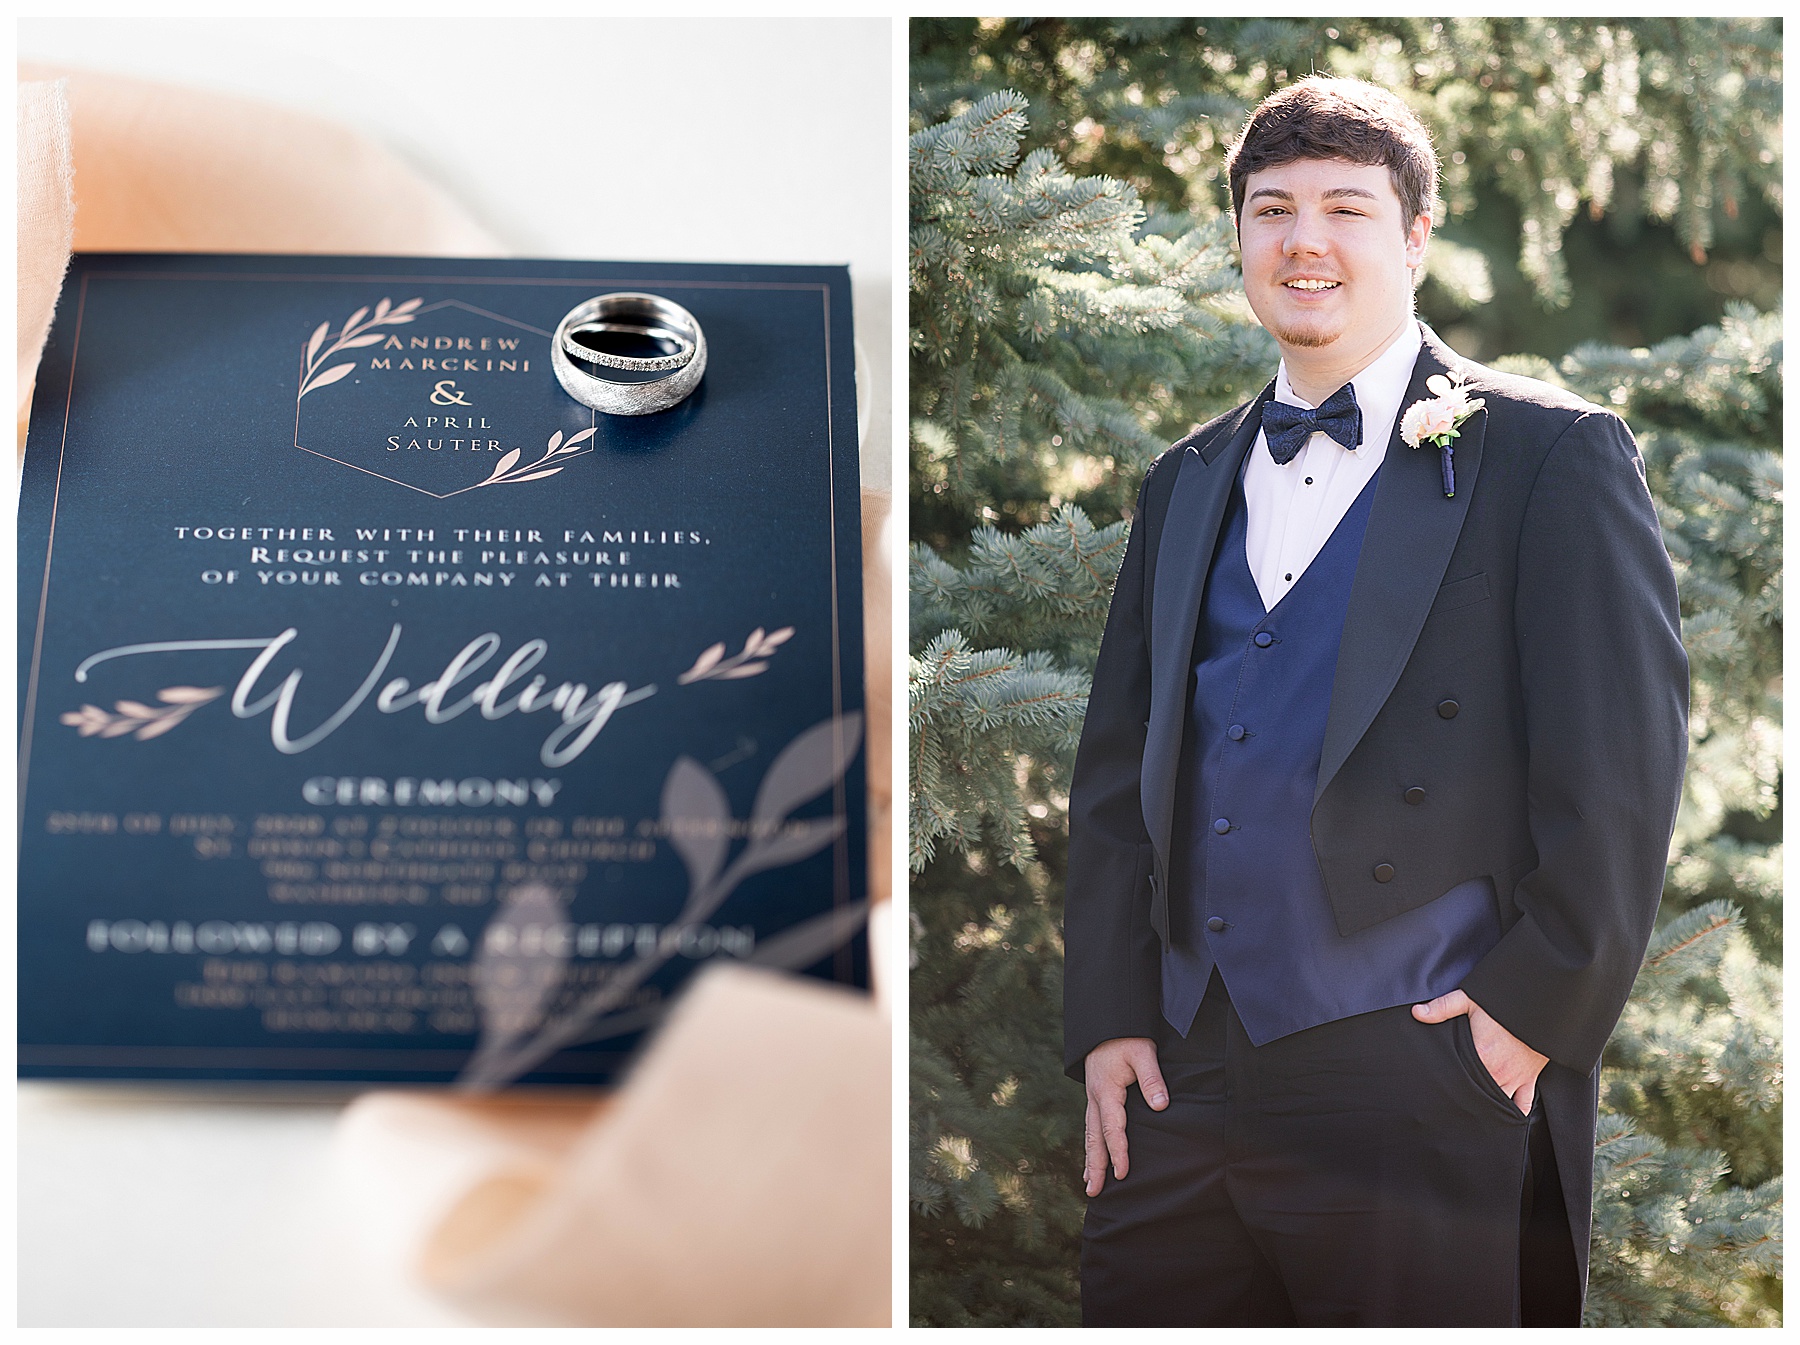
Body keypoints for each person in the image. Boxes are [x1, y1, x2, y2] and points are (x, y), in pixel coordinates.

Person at [1062, 75, 1687, 1328]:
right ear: (1237, 237)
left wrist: (1525, 1016)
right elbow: (1120, 777)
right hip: (1184, 1076)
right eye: (1271, 207)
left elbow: (1620, 767)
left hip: (1418, 1065)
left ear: (1414, 237)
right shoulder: (1185, 480)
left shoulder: (1547, 455)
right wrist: (1113, 1015)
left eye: (1348, 208)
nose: (1305, 240)